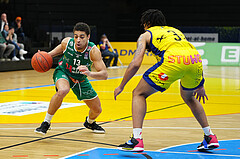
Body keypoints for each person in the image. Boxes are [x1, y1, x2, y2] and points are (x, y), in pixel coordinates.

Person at [114, 9, 219, 152]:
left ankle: (136, 139)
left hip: (172, 61)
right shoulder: (175, 31)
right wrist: (201, 84)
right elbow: (187, 53)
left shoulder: (146, 35)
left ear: (147, 24)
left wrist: (121, 85)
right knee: (189, 97)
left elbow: (136, 63)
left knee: (138, 93)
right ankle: (210, 136)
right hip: (195, 60)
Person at [35, 22, 108, 135]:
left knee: (97, 110)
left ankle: (89, 122)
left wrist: (89, 73)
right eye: (76, 36)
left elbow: (104, 74)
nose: (78, 40)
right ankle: (46, 123)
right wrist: (43, 56)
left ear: (88, 37)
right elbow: (50, 55)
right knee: (63, 90)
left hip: (81, 79)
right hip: (64, 72)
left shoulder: (93, 51)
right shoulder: (67, 43)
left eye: (82, 37)